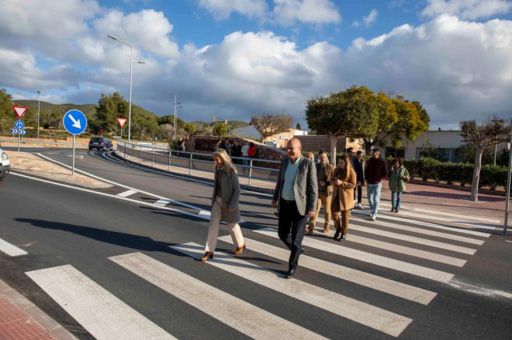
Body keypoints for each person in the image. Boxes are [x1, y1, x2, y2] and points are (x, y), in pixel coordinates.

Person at [272, 138, 318, 279]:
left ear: (299, 148)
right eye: (287, 148)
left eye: (291, 148)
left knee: (297, 239)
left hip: (300, 207)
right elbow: (280, 181)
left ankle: (292, 266)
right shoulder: (285, 162)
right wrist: (275, 198)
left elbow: (313, 188)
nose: (289, 151)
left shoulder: (308, 164)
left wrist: (312, 208)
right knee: (282, 234)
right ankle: (297, 250)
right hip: (285, 204)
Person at [201, 149, 245, 262]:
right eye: (214, 159)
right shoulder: (217, 169)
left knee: (232, 225)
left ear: (223, 159)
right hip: (217, 200)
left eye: (216, 159)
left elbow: (237, 190)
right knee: (213, 224)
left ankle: (240, 244)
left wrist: (232, 204)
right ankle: (209, 251)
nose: (214, 162)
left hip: (229, 202)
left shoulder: (231, 171)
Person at [307, 152, 334, 234]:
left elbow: (334, 179)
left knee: (327, 210)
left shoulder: (330, 167)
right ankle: (311, 226)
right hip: (317, 192)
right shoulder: (317, 166)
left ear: (327, 158)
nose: (323, 159)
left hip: (327, 192)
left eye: (324, 157)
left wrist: (326, 183)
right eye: (321, 157)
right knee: (315, 209)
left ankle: (326, 226)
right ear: (319, 158)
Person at [331, 156, 357, 240]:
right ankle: (338, 228)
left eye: (341, 163)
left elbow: (353, 185)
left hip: (346, 197)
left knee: (345, 216)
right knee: (334, 213)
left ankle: (344, 233)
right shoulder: (336, 170)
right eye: (339, 162)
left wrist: (342, 183)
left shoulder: (351, 172)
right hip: (336, 194)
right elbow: (331, 180)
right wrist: (334, 181)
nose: (339, 164)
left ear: (346, 163)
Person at [364, 148, 387, 221]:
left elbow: (385, 172)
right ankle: (372, 210)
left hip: (377, 183)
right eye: (372, 153)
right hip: (369, 182)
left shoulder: (382, 161)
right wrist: (366, 179)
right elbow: (366, 170)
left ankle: (374, 214)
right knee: (370, 199)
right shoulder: (369, 161)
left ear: (378, 153)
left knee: (376, 199)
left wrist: (381, 180)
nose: (372, 154)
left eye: (374, 153)